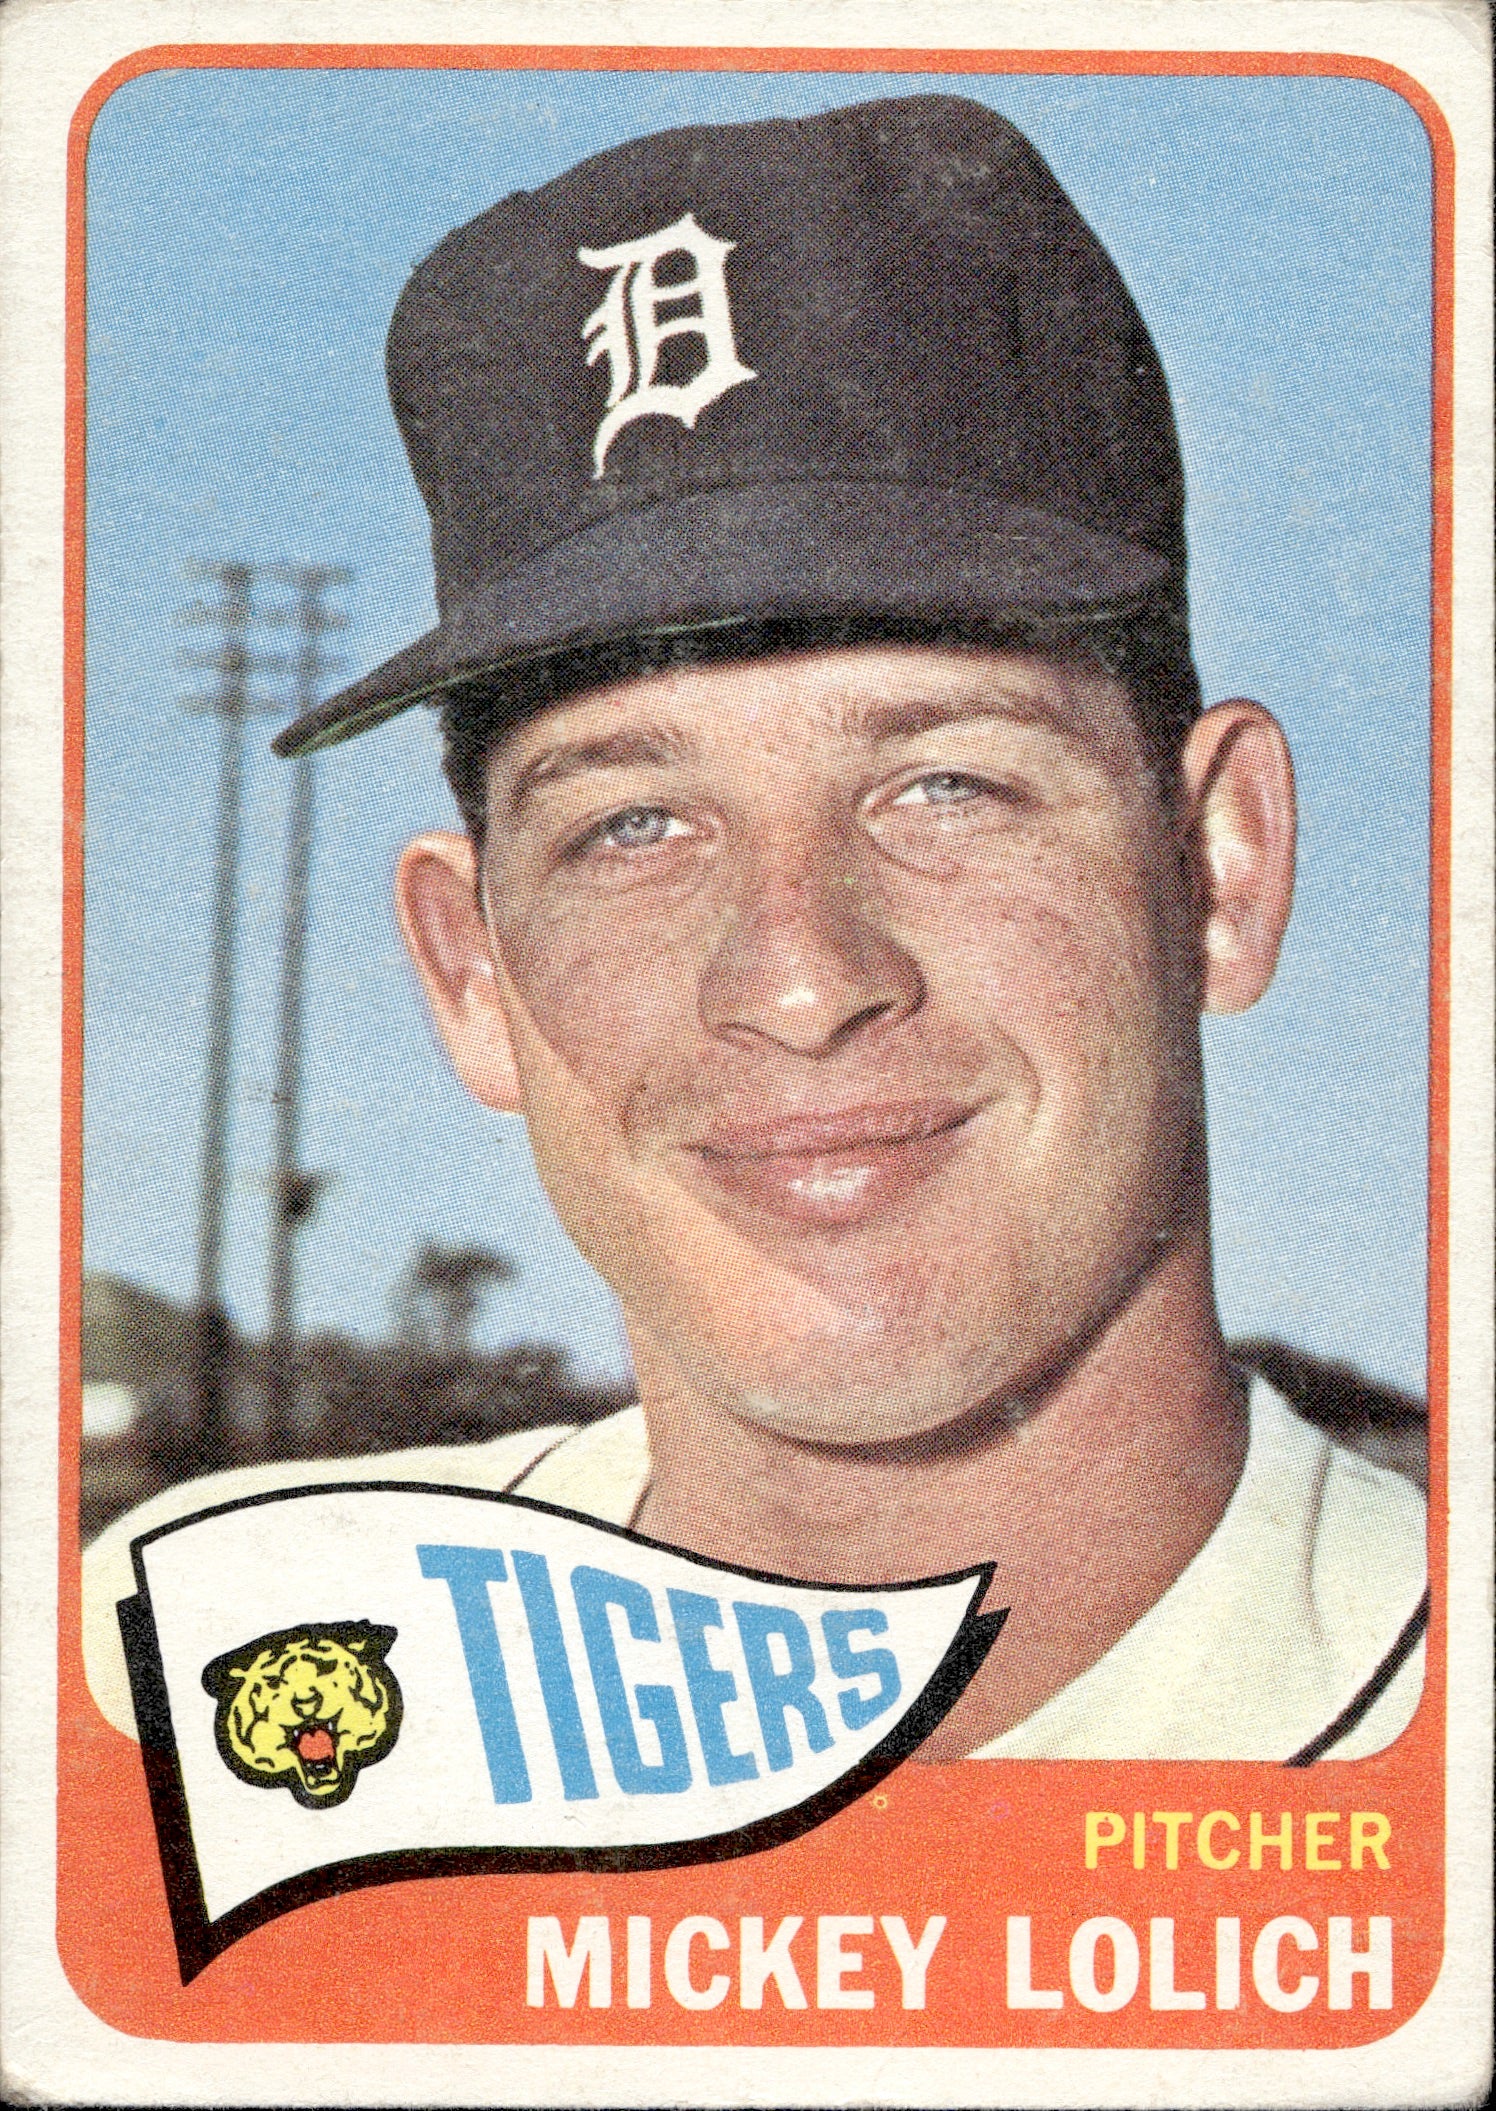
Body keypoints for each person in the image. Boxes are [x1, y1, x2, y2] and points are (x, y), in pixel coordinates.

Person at [83, 91, 1425, 1763]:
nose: (798, 976)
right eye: (630, 823)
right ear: (470, 971)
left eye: (946, 785)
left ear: (1223, 863)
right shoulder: (169, 1693)